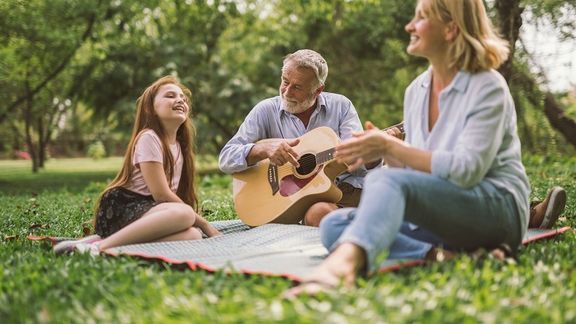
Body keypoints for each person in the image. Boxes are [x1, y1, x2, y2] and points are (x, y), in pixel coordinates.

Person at [285, 0, 533, 296]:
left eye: (421, 18)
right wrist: (383, 152)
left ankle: (340, 269)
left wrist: (391, 147)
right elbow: (411, 173)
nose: (409, 26)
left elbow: (467, 171)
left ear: (451, 29)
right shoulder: (416, 91)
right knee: (334, 225)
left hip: (495, 209)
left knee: (379, 188)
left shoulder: (486, 86)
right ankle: (447, 256)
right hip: (442, 213)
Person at [219, 49, 397, 227]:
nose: (287, 92)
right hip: (291, 201)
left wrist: (374, 153)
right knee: (318, 212)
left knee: (320, 212)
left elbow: (358, 164)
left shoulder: (341, 106)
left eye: (297, 87)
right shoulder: (265, 110)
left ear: (318, 90)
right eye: (285, 82)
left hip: (345, 192)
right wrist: (261, 150)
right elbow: (226, 158)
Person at [54, 76, 220, 255]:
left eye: (183, 98)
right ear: (151, 109)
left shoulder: (180, 147)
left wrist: (196, 224)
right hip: (123, 206)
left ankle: (104, 242)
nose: (180, 100)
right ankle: (97, 248)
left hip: (150, 211)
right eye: (170, 96)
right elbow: (162, 195)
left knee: (193, 235)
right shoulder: (149, 137)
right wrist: (203, 223)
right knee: (187, 215)